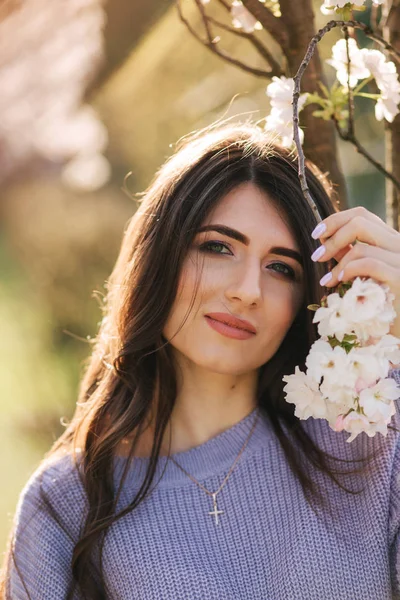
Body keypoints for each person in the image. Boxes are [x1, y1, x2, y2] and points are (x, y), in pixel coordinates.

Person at [1, 122, 400, 600]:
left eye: (281, 268)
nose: (247, 291)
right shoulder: (66, 505)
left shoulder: (371, 439)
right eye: (217, 247)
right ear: (160, 254)